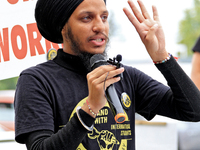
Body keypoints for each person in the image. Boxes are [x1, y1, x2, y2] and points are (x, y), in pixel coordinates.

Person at [14, 0, 200, 149]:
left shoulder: (124, 75)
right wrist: (90, 108)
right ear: (62, 26)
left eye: (104, 17)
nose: (99, 26)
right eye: (87, 18)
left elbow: (194, 111)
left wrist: (162, 58)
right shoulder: (36, 80)